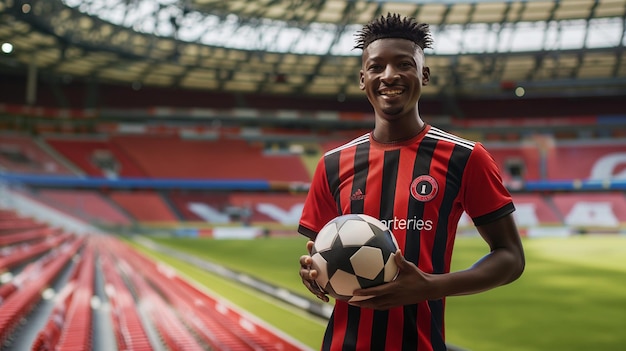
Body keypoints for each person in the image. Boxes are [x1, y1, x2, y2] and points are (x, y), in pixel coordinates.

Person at [297, 13, 525, 351]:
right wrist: (311, 271)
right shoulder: (332, 164)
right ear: (363, 78)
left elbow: (510, 257)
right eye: (376, 67)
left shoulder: (465, 157)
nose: (389, 75)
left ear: (424, 74)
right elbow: (320, 254)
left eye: (404, 64)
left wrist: (430, 286)